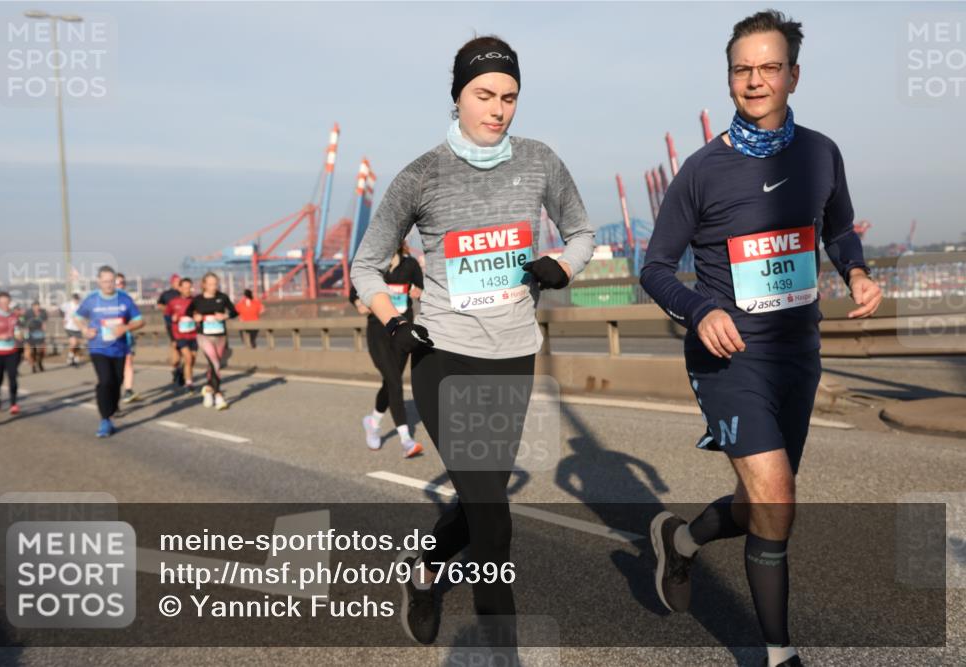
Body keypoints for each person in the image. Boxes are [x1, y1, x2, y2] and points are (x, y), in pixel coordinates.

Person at [639, 11, 883, 667]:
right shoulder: (700, 169)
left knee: (764, 502)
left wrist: (856, 270)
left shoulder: (821, 153)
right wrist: (698, 311)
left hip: (797, 355)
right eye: (742, 69)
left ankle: (683, 542)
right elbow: (654, 267)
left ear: (793, 74)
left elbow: (837, 228)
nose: (755, 80)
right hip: (728, 356)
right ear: (729, 78)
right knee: (775, 493)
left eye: (768, 67)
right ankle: (778, 653)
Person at [351, 35, 594, 652]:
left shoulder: (539, 161)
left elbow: (583, 232)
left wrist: (562, 267)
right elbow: (365, 265)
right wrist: (393, 320)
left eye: (510, 97)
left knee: (477, 492)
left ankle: (425, 568)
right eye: (484, 94)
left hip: (512, 353)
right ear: (456, 96)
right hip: (443, 355)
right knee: (493, 514)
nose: (498, 108)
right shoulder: (421, 175)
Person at [350, 240, 425, 458]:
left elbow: (421, 287)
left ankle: (372, 422)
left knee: (390, 381)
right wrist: (358, 303)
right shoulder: (373, 267)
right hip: (377, 332)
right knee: (394, 381)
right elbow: (354, 292)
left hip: (401, 331)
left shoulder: (410, 265)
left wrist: (417, 292)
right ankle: (406, 440)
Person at [75, 265, 145, 438]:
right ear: (99, 282)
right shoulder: (91, 299)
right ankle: (105, 419)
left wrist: (126, 327)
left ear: (115, 281)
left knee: (116, 382)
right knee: (105, 380)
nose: (108, 285)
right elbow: (77, 318)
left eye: (111, 281)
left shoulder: (124, 299)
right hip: (98, 347)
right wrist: (84, 330)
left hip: (120, 349)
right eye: (104, 281)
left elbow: (140, 320)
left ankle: (111, 410)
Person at [186, 272, 238, 410]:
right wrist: (195, 316)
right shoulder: (197, 300)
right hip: (204, 336)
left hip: (220, 335)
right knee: (214, 363)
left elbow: (234, 312)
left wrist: (225, 316)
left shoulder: (222, 297)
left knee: (214, 365)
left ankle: (208, 389)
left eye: (215, 284)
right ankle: (219, 395)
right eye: (210, 284)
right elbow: (188, 312)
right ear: (203, 285)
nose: (213, 287)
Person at [164, 277, 199, 393]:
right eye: (184, 288)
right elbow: (167, 316)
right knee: (188, 358)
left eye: (189, 288)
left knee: (192, 360)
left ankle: (181, 372)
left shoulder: (195, 301)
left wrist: (198, 318)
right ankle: (189, 383)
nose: (187, 290)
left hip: (193, 335)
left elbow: (200, 315)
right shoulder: (173, 302)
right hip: (180, 335)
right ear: (179, 288)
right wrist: (172, 320)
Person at [115, 273, 141, 403]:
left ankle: (128, 390)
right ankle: (114, 392)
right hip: (110, 338)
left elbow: (136, 318)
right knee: (114, 367)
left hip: (126, 335)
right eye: (117, 283)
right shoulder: (103, 300)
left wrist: (130, 326)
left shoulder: (127, 299)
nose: (120, 285)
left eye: (122, 283)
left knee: (128, 361)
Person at [157, 273, 183, 386]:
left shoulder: (184, 293)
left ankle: (181, 367)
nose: (179, 284)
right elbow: (159, 305)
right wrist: (169, 310)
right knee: (175, 346)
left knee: (184, 347)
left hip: (185, 325)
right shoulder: (167, 294)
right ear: (172, 283)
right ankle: (176, 368)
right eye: (177, 282)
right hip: (171, 324)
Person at [21, 300, 48, 373]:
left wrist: (44, 329)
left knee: (43, 350)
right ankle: (32, 365)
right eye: (35, 306)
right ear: (32, 306)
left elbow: (44, 322)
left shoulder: (43, 312)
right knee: (29, 351)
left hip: (39, 332)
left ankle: (39, 362)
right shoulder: (27, 313)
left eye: (38, 305)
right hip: (29, 332)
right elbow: (22, 321)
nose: (37, 307)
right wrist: (24, 331)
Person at [60, 293, 83, 366]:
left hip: (78, 327)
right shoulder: (67, 305)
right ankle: (70, 357)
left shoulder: (80, 306)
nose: (76, 300)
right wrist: (63, 318)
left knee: (78, 344)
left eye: (77, 299)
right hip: (69, 326)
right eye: (75, 299)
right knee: (73, 343)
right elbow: (60, 309)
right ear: (73, 299)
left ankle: (74, 358)